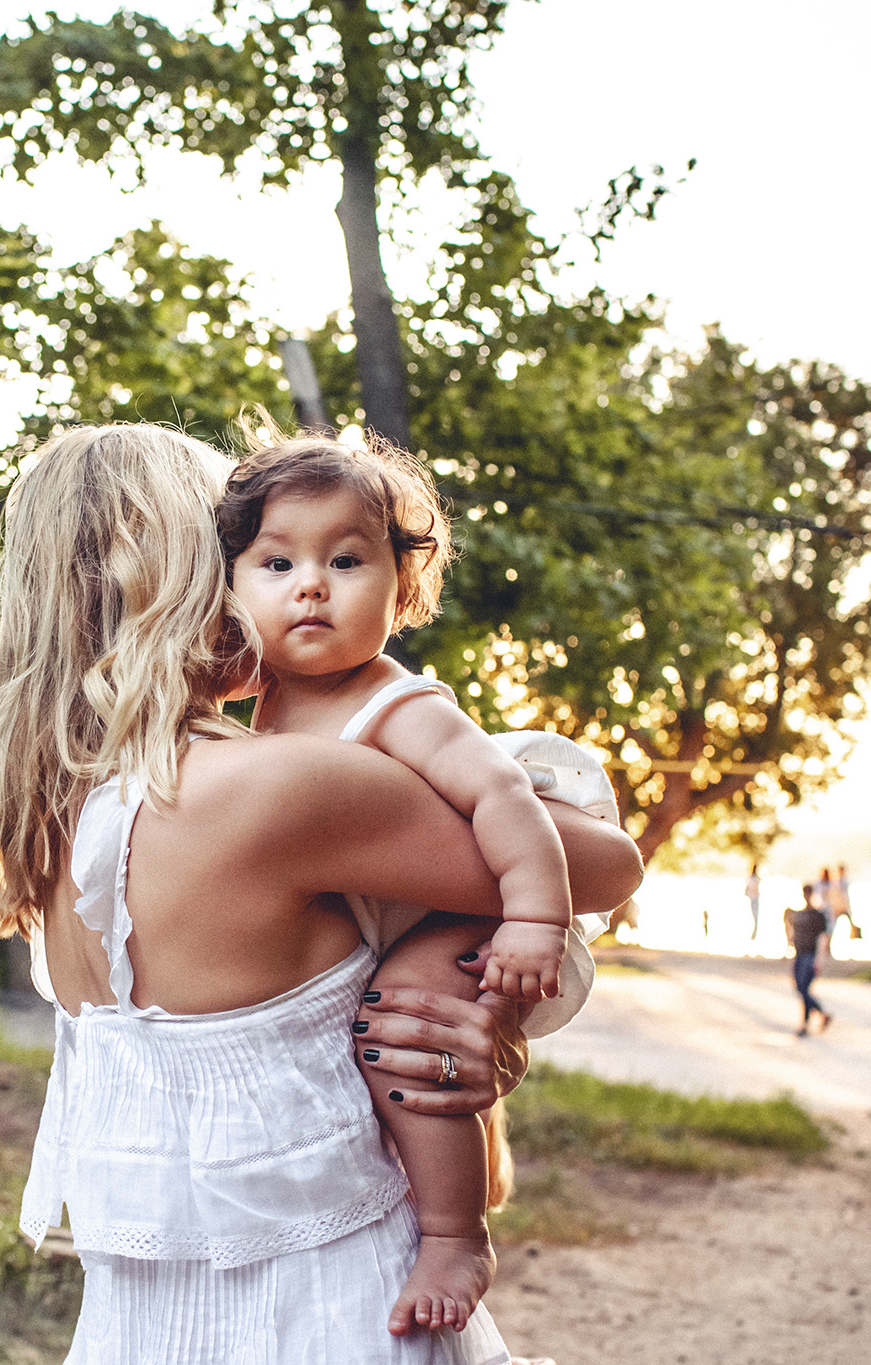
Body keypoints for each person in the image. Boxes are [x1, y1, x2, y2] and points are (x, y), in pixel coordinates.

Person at [0, 425, 645, 1362]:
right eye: (253, 548)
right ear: (190, 578)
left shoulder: (56, 810)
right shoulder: (278, 787)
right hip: (332, 1315)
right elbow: (606, 861)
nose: (298, 582)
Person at [218, 432, 609, 1330]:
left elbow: (505, 795)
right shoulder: (261, 707)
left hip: (472, 910)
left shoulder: (398, 702)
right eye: (277, 562)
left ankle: (454, 1233)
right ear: (233, 586)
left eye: (347, 560)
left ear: (404, 585)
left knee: (402, 1022)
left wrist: (535, 918)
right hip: (402, 908)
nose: (310, 583)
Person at [784, 897, 832, 1035]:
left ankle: (805, 1024)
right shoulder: (799, 915)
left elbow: (823, 937)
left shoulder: (817, 915)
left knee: (803, 988)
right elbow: (792, 935)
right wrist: (788, 953)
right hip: (799, 955)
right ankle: (822, 1014)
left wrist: (819, 959)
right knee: (800, 988)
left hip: (810, 956)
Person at [745, 862, 762, 942]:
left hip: (753, 899)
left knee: (756, 918)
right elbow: (749, 890)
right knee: (755, 918)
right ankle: (753, 936)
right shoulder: (754, 879)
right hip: (754, 899)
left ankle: (754, 936)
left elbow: (747, 891)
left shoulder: (752, 878)